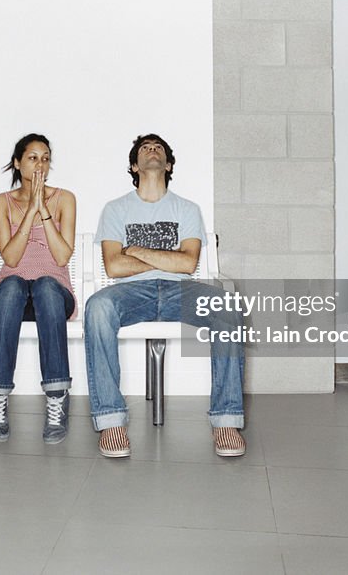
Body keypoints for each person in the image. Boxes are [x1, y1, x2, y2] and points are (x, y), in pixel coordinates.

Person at [85, 134, 246, 458]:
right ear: (134, 165)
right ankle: (111, 420)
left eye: (158, 147)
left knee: (228, 305)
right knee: (98, 307)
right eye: (144, 148)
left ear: (168, 164)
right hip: (133, 292)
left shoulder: (187, 209)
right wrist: (164, 256)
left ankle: (226, 420)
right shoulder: (115, 209)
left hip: (179, 290)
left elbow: (187, 263)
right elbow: (114, 266)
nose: (152, 150)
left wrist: (137, 250)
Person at [0, 134, 77, 444]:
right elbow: (10, 257)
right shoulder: (1, 202)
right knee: (11, 286)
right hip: (15, 295)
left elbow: (62, 256)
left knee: (47, 286)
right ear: (17, 163)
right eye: (33, 157)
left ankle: (56, 397)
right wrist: (30, 210)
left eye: (46, 158)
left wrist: (43, 211)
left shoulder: (65, 199)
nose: (41, 164)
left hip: (53, 294)